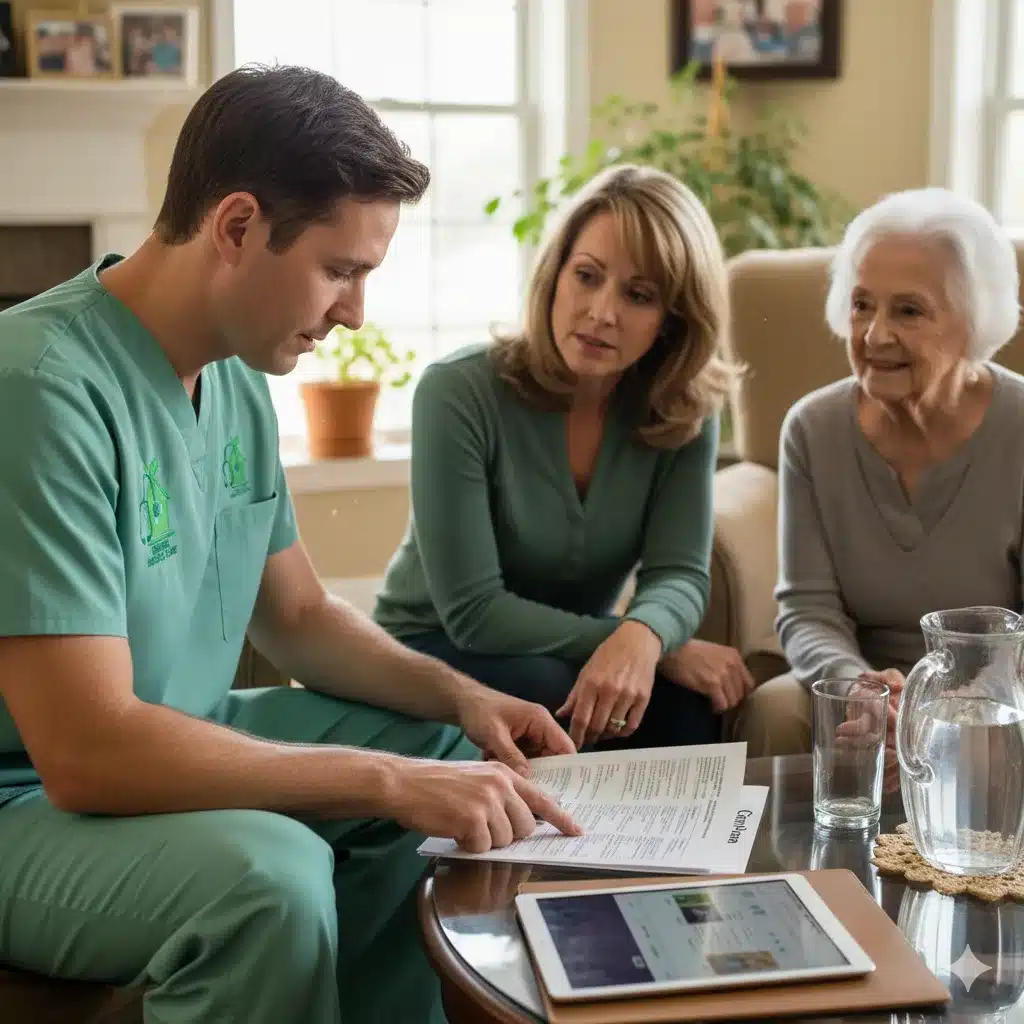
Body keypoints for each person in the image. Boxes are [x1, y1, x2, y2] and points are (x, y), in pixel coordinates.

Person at [0, 65, 581, 1024]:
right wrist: (387, 783)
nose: (354, 313)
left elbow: (301, 615)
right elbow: (86, 749)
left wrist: (464, 697)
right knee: (270, 881)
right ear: (235, 227)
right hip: (30, 797)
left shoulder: (231, 380)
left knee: (443, 750)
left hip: (175, 731)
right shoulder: (38, 389)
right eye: (340, 269)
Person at [374, 164, 755, 753]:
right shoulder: (456, 391)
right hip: (431, 649)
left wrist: (643, 638)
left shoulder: (684, 410)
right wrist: (646, 643)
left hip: (568, 654)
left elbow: (679, 572)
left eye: (639, 295)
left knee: (682, 704)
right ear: (555, 276)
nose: (601, 312)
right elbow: (476, 613)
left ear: (673, 320)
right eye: (587, 276)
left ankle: (668, 846)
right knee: (548, 690)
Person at [732, 187, 1024, 778]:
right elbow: (808, 608)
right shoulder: (813, 428)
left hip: (997, 692)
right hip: (861, 679)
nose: (873, 336)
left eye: (908, 311)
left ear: (974, 320)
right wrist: (860, 692)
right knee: (776, 708)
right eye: (862, 305)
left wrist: (935, 713)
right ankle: (795, 870)